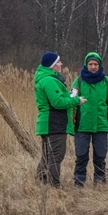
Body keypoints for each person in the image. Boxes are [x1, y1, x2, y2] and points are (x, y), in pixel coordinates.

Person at [34, 51, 86, 187]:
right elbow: (57, 102)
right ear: (52, 65)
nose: (61, 64)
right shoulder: (49, 80)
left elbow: (57, 99)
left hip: (48, 123)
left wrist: (69, 97)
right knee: (56, 156)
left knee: (47, 156)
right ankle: (54, 185)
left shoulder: (45, 79)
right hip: (54, 123)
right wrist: (76, 101)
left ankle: (41, 183)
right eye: (58, 62)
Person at [70, 52, 108, 187]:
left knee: (100, 156)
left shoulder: (106, 81)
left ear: (99, 65)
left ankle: (100, 182)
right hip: (82, 125)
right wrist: (71, 123)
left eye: (95, 64)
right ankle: (79, 183)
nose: (93, 67)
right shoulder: (78, 81)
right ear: (86, 64)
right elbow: (71, 102)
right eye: (90, 64)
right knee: (81, 156)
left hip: (101, 125)